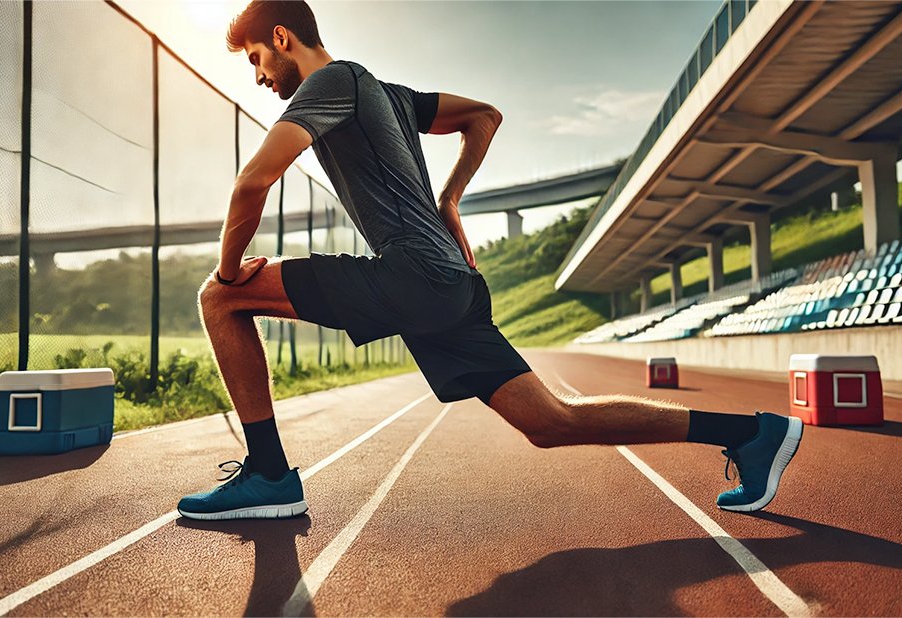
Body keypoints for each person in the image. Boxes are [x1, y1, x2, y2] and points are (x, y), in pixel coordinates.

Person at [176, 0, 803, 521]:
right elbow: (484, 116)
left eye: (256, 59)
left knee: (218, 299)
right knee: (549, 420)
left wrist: (231, 273)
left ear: (282, 37)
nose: (258, 77)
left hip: (413, 275)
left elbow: (253, 183)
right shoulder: (389, 96)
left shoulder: (331, 83)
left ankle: (268, 474)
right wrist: (449, 198)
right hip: (448, 281)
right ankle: (750, 433)